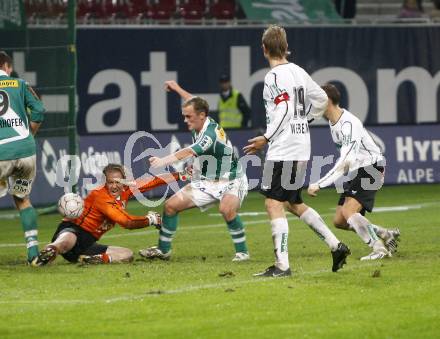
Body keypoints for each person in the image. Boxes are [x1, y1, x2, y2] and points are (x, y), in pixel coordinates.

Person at [243, 25, 350, 277]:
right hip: (301, 146)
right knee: (292, 202)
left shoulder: (274, 77)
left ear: (264, 49)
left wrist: (266, 137)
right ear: (285, 47)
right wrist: (307, 120)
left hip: (284, 148)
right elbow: (323, 100)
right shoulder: (299, 71)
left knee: (272, 202)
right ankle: (336, 246)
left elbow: (284, 110)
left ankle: (282, 265)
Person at [139, 80, 250, 262]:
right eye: (185, 116)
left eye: (188, 117)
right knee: (170, 206)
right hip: (206, 181)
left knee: (226, 209)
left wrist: (162, 161)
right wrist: (176, 88)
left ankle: (242, 252)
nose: (185, 120)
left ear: (201, 115)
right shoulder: (201, 118)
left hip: (231, 180)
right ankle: (163, 250)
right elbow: (193, 99)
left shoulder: (210, 134)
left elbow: (189, 151)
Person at [308, 84, 400, 260]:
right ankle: (386, 234)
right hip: (357, 170)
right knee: (340, 221)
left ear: (326, 101)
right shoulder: (333, 121)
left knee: (349, 212)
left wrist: (320, 183)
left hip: (371, 167)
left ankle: (379, 248)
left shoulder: (349, 124)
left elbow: (345, 161)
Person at [31, 163, 188, 265]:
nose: (114, 186)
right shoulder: (101, 197)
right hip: (73, 229)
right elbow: (126, 222)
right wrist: (150, 219)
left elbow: (153, 181)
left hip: (87, 244)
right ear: (105, 182)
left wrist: (180, 175)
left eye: (118, 182)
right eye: (110, 182)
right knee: (66, 241)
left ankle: (95, 259)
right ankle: (50, 250)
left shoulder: (126, 190)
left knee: (126, 254)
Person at [0, 51, 45, 264]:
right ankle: (33, 254)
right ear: (7, 67)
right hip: (26, 152)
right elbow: (39, 110)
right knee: (22, 199)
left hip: (1, 152)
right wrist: (29, 136)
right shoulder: (20, 84)